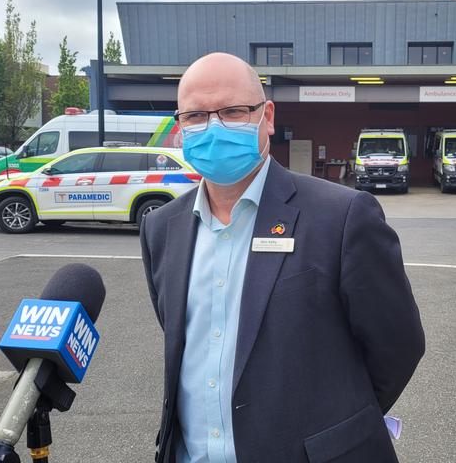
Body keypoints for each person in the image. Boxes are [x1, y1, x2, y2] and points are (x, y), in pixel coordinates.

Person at [140, 52, 425, 463]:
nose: (214, 127)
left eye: (234, 111)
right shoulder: (162, 228)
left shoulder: (342, 217)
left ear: (267, 117)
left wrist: (338, 426)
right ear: (179, 126)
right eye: (197, 116)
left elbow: (398, 346)